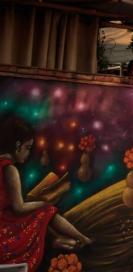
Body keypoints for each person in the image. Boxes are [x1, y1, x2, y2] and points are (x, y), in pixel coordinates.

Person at [0, 116, 92, 271]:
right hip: (5, 229)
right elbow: (18, 207)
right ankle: (83, 239)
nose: (28, 154)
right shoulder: (9, 169)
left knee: (38, 210)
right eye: (28, 148)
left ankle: (58, 239)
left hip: (5, 219)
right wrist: (44, 202)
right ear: (17, 146)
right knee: (46, 210)